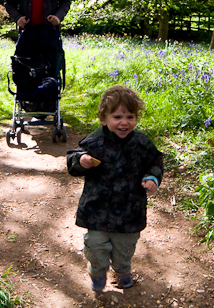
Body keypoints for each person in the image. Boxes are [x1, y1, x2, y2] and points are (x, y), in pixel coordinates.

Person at [66, 85, 164, 293]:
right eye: (117, 116)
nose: (124, 122)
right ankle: (98, 271)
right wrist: (80, 160)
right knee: (96, 247)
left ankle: (122, 271)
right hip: (97, 209)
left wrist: (152, 176)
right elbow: (73, 159)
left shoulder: (141, 143)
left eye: (130, 116)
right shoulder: (95, 142)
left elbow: (155, 161)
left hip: (130, 210)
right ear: (104, 119)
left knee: (124, 248)